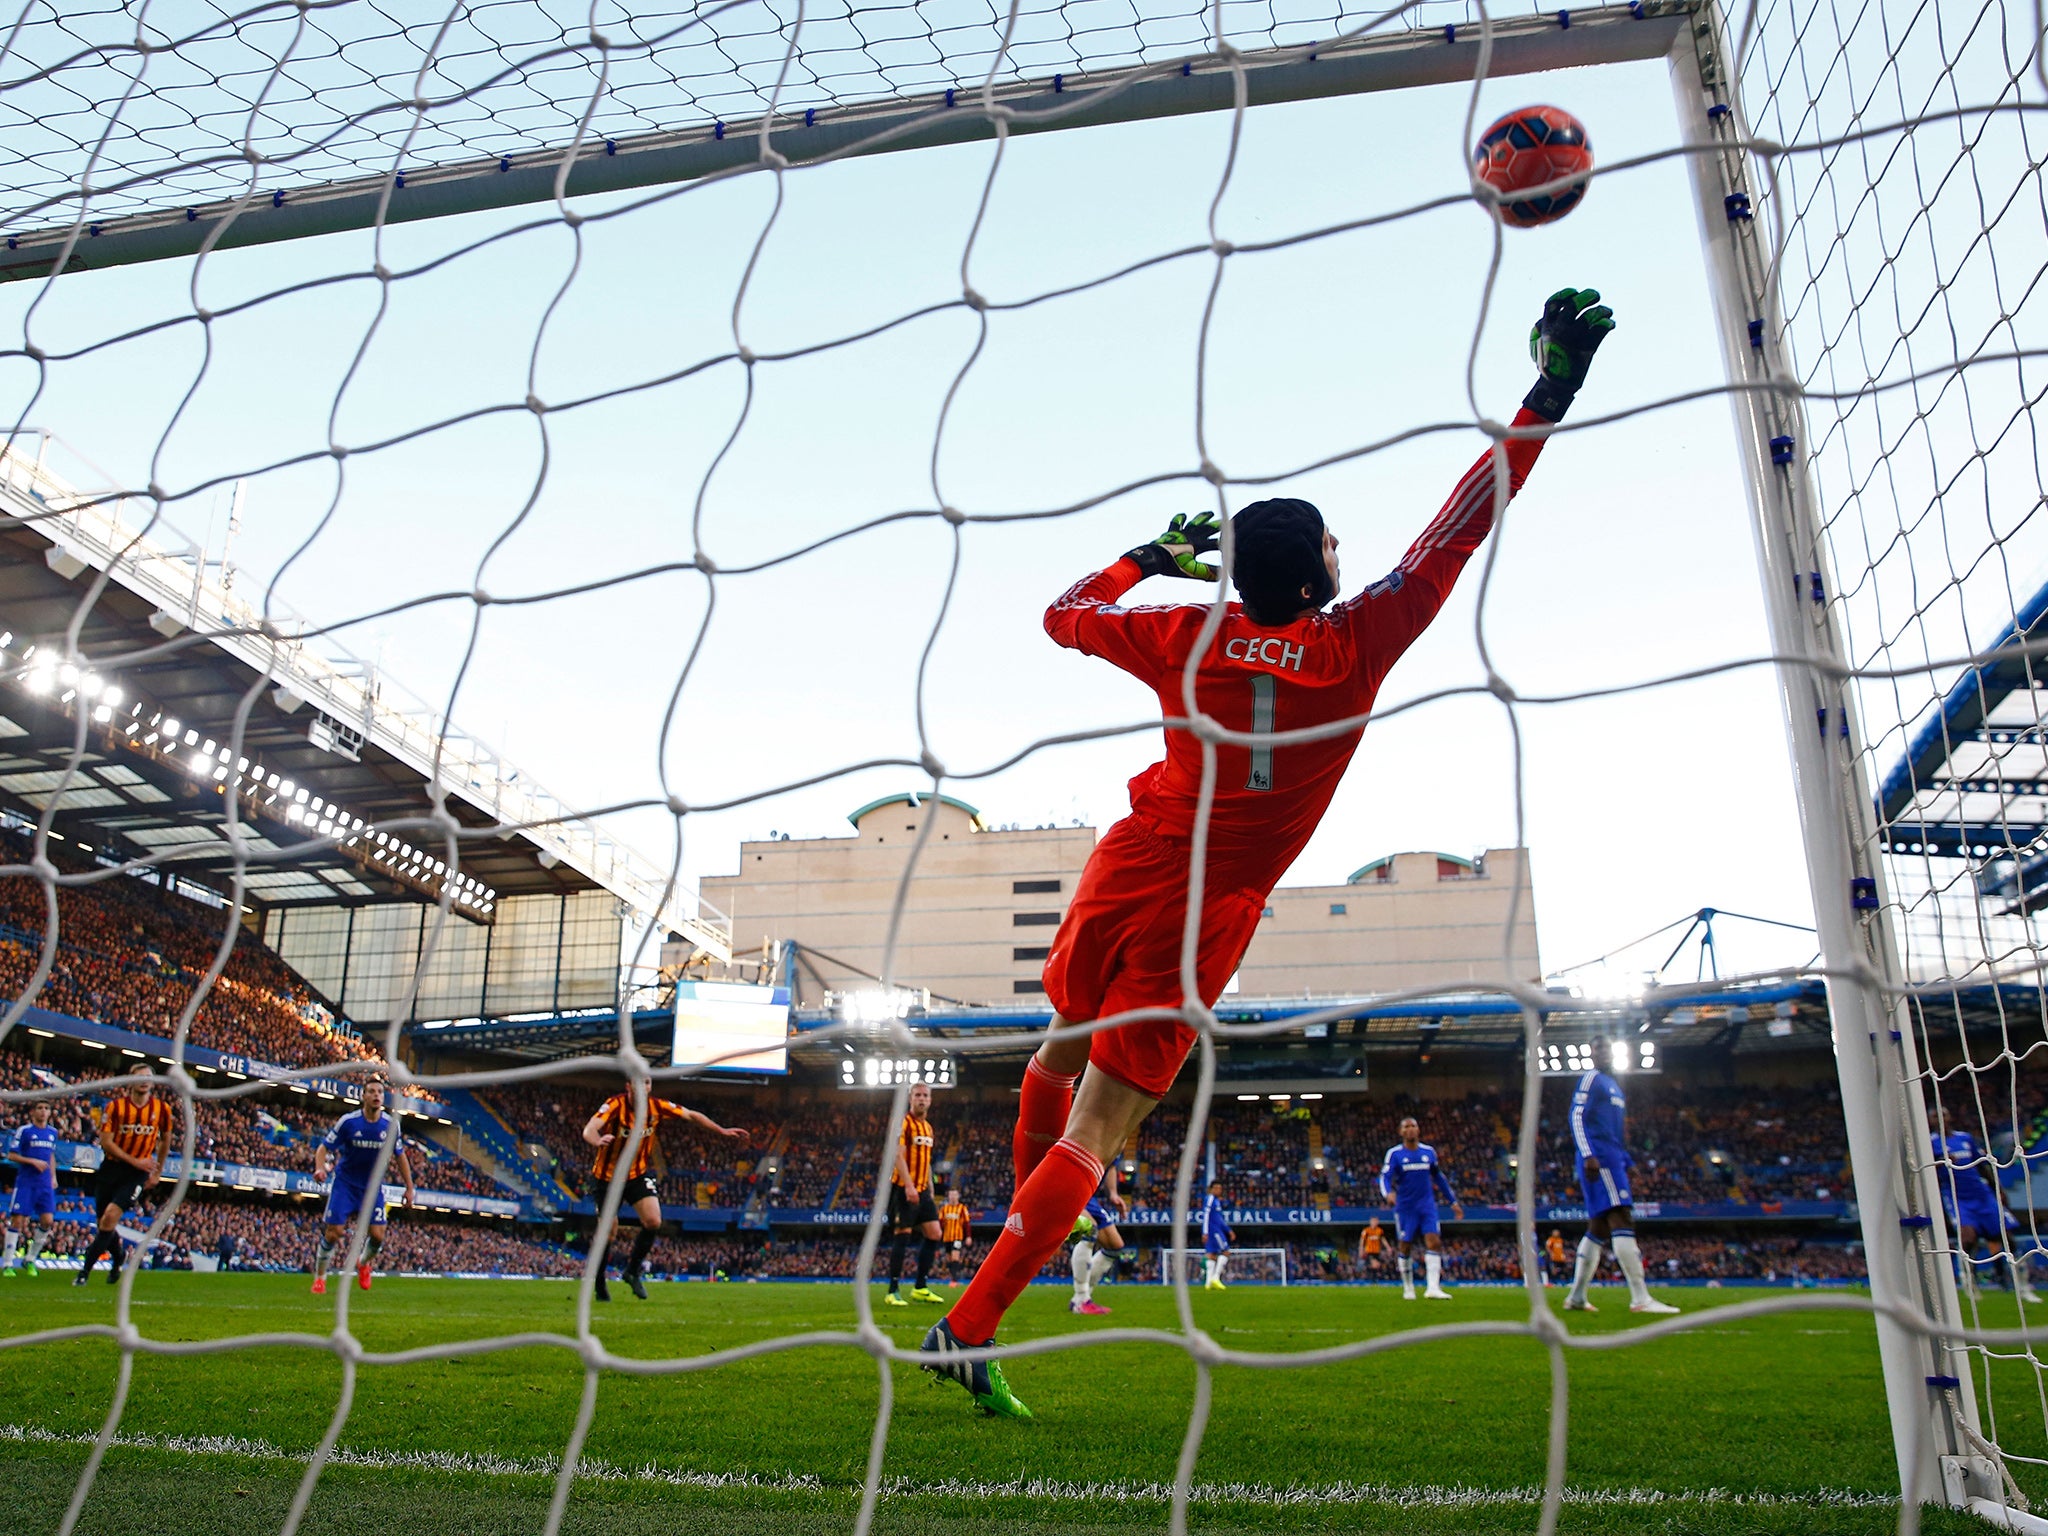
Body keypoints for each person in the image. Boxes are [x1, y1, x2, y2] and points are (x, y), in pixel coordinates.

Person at [921, 288, 1615, 1419]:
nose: (1347, 550)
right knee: (1103, 1128)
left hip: (1127, 863)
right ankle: (973, 1318)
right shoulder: (1355, 640)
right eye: (1335, 543)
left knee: (1054, 1051)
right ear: (1313, 579)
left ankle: (1019, 1225)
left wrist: (1147, 554)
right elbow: (1460, 522)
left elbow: (1058, 613)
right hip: (1209, 904)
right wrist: (1551, 388)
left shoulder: (1179, 633)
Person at [583, 1087, 749, 1301]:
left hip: (635, 1175)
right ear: (628, 1086)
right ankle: (599, 1283)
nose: (642, 1087)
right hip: (606, 1179)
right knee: (609, 1232)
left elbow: (690, 1115)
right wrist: (596, 1140)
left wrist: (721, 1130)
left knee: (653, 1220)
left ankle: (632, 1272)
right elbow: (590, 1128)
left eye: (646, 1082)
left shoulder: (657, 1106)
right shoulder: (615, 1104)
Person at [1562, 1065, 1680, 1316]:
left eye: (1607, 1047)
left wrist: (1626, 1160)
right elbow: (1576, 1115)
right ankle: (1640, 1298)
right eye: (1599, 1047)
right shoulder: (1592, 1079)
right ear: (1593, 1053)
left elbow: (1613, 1132)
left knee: (1599, 1227)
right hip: (1600, 1158)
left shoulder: (1614, 1085)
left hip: (1613, 1157)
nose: (1604, 1051)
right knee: (1622, 1217)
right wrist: (1588, 1154)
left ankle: (1577, 1297)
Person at [310, 1079, 416, 1296]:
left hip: (373, 1187)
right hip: (346, 1184)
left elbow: (400, 1156)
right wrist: (320, 1168)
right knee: (334, 1233)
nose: (377, 1095)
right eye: (371, 1091)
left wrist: (409, 1187)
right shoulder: (348, 1122)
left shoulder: (390, 1124)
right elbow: (323, 1148)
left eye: (380, 1092)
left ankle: (363, 1262)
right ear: (363, 1096)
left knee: (378, 1235)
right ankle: (320, 1278)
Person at [75, 1068, 178, 1286]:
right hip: (111, 1168)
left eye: (148, 1078)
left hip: (136, 1175)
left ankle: (84, 1272)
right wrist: (136, 1160)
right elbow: (106, 1141)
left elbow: (166, 1139)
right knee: (104, 1222)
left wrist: (157, 1171)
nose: (144, 1082)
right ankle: (119, 1256)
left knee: (111, 1217)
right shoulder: (115, 1107)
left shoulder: (161, 1109)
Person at [1933, 1119, 2040, 1303]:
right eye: (1935, 1116)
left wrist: (1997, 1188)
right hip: (1957, 1198)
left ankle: (2023, 1286)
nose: (1942, 1118)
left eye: (1944, 1114)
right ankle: (1969, 1283)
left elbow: (1982, 1165)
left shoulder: (1964, 1138)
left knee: (2008, 1239)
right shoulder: (1930, 1142)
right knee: (1967, 1238)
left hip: (1982, 1195)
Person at [1379, 1116, 1463, 1300]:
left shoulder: (1429, 1152)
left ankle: (1433, 1287)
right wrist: (1388, 1194)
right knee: (1405, 1245)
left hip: (1427, 1206)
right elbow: (1385, 1177)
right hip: (1406, 1207)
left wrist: (1453, 1202)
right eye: (1406, 1126)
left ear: (1418, 1130)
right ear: (1401, 1132)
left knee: (1434, 1241)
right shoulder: (1395, 1154)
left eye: (1413, 1126)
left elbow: (1439, 1178)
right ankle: (1408, 1287)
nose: (1410, 1129)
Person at [884, 1080, 944, 1307]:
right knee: (903, 1234)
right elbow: (898, 1156)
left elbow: (926, 1161)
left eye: (925, 1096)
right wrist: (908, 1185)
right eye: (917, 1095)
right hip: (903, 1188)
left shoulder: (928, 1128)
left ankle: (920, 1287)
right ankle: (893, 1290)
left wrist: (929, 1185)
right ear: (911, 1098)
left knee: (935, 1233)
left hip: (922, 1189)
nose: (921, 1099)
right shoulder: (903, 1123)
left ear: (930, 1100)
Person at [4, 1100, 58, 1276]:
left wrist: (53, 1176)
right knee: (18, 1221)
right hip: (26, 1183)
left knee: (48, 1221)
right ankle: (8, 1263)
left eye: (46, 1108)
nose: (43, 1111)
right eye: (40, 1108)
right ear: (33, 1112)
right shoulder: (25, 1131)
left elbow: (51, 1156)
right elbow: (11, 1155)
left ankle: (30, 1259)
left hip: (44, 1184)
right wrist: (32, 1161)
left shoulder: (52, 1133)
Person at [1070, 1168, 1128, 1314]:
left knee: (1115, 1246)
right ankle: (1081, 1300)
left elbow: (1112, 1165)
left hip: (1088, 1195)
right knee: (1089, 1229)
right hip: (1068, 1185)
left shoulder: (1119, 1144)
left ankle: (1082, 1296)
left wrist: (1113, 1193)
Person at [1200, 1179, 1233, 1290]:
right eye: (1216, 1188)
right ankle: (1216, 1277)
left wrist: (1228, 1230)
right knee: (1226, 1251)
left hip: (1216, 1229)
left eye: (1220, 1188)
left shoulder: (1217, 1201)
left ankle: (1208, 1284)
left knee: (1211, 1254)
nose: (1218, 1190)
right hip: (1213, 1231)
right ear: (1211, 1189)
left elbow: (1219, 1219)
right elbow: (1205, 1215)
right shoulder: (1209, 1199)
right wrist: (1204, 1232)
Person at [938, 1186, 972, 1285]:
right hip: (946, 1237)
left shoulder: (962, 1208)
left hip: (957, 1237)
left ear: (958, 1196)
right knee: (949, 1258)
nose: (952, 1197)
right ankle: (954, 1277)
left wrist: (968, 1236)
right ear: (948, 1196)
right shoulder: (944, 1209)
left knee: (955, 1257)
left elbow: (967, 1223)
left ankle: (954, 1280)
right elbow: (940, 1223)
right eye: (951, 1195)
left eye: (954, 1195)